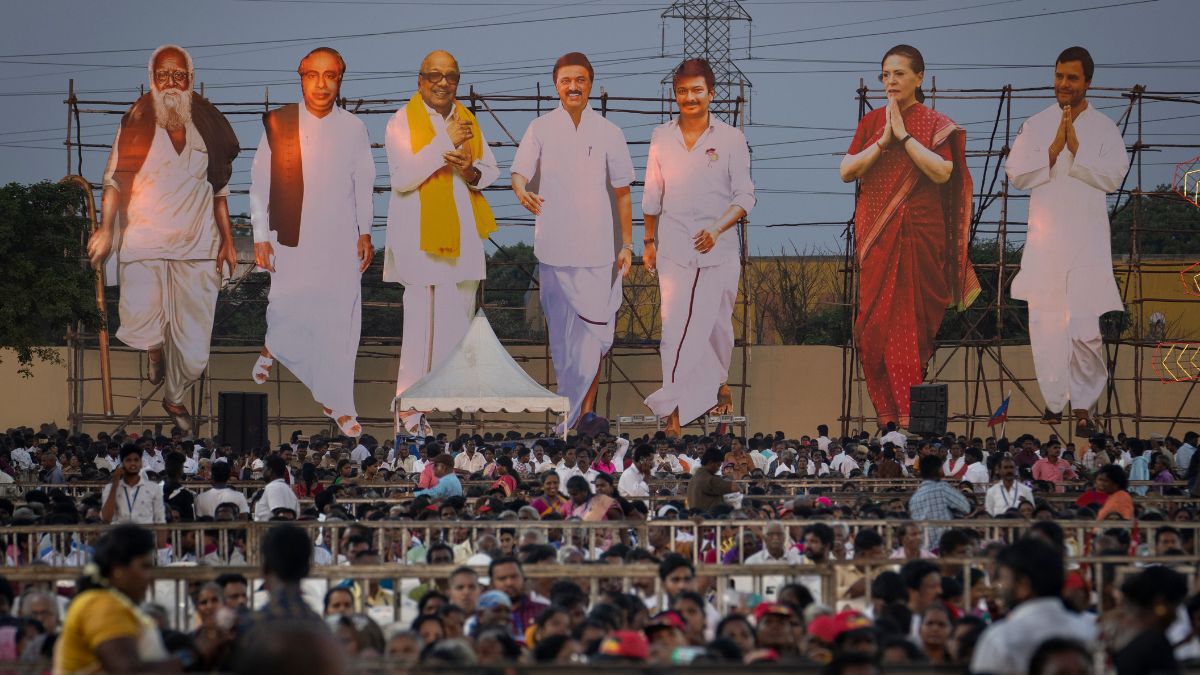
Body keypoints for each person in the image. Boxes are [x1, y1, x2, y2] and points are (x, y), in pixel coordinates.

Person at [87, 45, 240, 433]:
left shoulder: (207, 125)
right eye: (163, 75)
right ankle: (154, 348)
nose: (171, 83)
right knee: (141, 317)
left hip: (198, 247)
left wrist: (229, 240)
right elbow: (114, 182)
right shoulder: (137, 122)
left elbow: (219, 190)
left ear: (190, 79)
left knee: (193, 353)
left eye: (179, 75)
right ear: (152, 80)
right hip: (145, 241)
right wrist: (106, 229)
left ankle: (175, 397)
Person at [838, 44, 979, 429]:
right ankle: (888, 418)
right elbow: (847, 170)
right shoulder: (871, 123)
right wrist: (884, 140)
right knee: (870, 333)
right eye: (885, 74)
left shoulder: (936, 124)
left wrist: (905, 137)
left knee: (908, 330)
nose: (890, 81)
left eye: (899, 73)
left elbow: (943, 173)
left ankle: (907, 420)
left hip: (920, 236)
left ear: (919, 77)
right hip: (877, 236)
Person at [249, 46, 374, 437]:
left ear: (340, 79)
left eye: (331, 76)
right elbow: (259, 184)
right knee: (288, 305)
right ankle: (274, 345)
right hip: (289, 234)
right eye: (313, 75)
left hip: (339, 237)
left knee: (342, 319)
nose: (321, 84)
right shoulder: (279, 123)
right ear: (300, 76)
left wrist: (366, 231)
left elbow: (364, 184)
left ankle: (338, 402)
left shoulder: (353, 127)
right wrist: (259, 236)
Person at [1005, 47, 1129, 437]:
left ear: (1088, 82)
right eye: (1059, 76)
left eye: (1072, 78)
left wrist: (1076, 146)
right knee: (1045, 326)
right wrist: (1054, 148)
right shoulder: (1036, 124)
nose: (1063, 84)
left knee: (1085, 329)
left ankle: (1083, 406)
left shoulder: (1105, 128)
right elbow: (1016, 174)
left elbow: (1113, 177)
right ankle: (1056, 400)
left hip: (1087, 243)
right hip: (1046, 243)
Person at [511, 52, 635, 431]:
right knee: (564, 344)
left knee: (595, 336)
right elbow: (519, 172)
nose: (573, 87)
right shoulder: (540, 128)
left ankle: (584, 414)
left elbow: (623, 193)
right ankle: (572, 413)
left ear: (590, 84)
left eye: (580, 80)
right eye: (566, 81)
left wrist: (626, 244)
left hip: (599, 253)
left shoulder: (609, 133)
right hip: (553, 252)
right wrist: (521, 191)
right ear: (556, 85)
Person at [384, 51, 499, 431]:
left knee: (454, 329)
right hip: (422, 245)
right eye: (434, 75)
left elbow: (490, 171)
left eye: (450, 76)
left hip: (463, 243)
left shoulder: (468, 121)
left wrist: (470, 169)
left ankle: (423, 410)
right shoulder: (402, 122)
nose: (442, 82)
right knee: (423, 329)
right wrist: (442, 142)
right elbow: (402, 177)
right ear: (420, 81)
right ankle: (409, 410)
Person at [641, 58, 755, 437]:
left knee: (716, 326)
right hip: (673, 245)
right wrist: (648, 241)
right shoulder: (661, 136)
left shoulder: (731, 139)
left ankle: (718, 383)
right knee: (674, 328)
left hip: (718, 249)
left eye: (697, 91)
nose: (689, 98)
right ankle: (672, 412)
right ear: (675, 95)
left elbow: (745, 196)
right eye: (682, 92)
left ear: (711, 93)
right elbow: (652, 194)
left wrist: (718, 228)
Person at [53, 525, 179, 672]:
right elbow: (126, 671)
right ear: (118, 569)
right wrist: (190, 657)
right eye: (144, 567)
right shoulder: (102, 605)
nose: (150, 576)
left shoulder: (111, 602)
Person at [970, 537, 1095, 675]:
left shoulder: (1000, 639)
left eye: (1004, 579)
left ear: (1024, 586)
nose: (1000, 586)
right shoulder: (1091, 629)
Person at [908, 456, 970, 549]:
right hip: (942, 544)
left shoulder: (915, 497)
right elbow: (966, 507)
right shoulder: (942, 488)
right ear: (937, 470)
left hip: (922, 546)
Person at [100, 445, 165, 525]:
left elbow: (160, 521)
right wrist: (115, 486)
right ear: (122, 464)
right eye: (128, 460)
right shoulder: (110, 488)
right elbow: (106, 518)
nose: (132, 463)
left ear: (141, 463)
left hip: (144, 535)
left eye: (136, 460)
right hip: (119, 534)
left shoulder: (154, 488)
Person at [686, 447, 739, 512]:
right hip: (710, 517)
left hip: (698, 515)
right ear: (711, 463)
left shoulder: (694, 477)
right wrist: (730, 477)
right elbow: (735, 488)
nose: (718, 469)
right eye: (718, 465)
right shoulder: (709, 479)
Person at [253, 455, 301, 522]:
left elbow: (285, 516)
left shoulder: (274, 488)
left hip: (272, 530)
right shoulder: (285, 488)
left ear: (270, 471)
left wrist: (275, 532)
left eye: (264, 468)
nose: (262, 471)